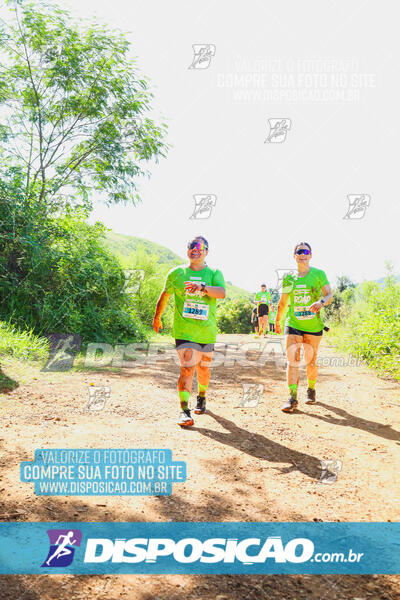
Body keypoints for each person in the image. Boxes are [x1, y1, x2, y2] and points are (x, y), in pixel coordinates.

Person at [153, 236, 226, 427]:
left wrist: (202, 287)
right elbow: (165, 295)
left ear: (207, 251)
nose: (196, 249)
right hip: (184, 330)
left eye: (200, 247)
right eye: (192, 246)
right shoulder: (177, 273)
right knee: (187, 368)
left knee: (203, 369)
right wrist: (157, 317)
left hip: (206, 331)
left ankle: (201, 396)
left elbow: (221, 293)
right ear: (187, 250)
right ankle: (184, 410)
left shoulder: (214, 273)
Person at [275, 242, 333, 412]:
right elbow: (283, 302)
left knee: (311, 362)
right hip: (293, 323)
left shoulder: (318, 274)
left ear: (311, 255)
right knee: (292, 361)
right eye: (299, 251)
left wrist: (321, 302)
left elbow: (329, 294)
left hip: (313, 326)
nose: (302, 254)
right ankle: (292, 398)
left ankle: (311, 389)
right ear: (294, 256)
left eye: (306, 251)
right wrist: (278, 321)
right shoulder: (289, 278)